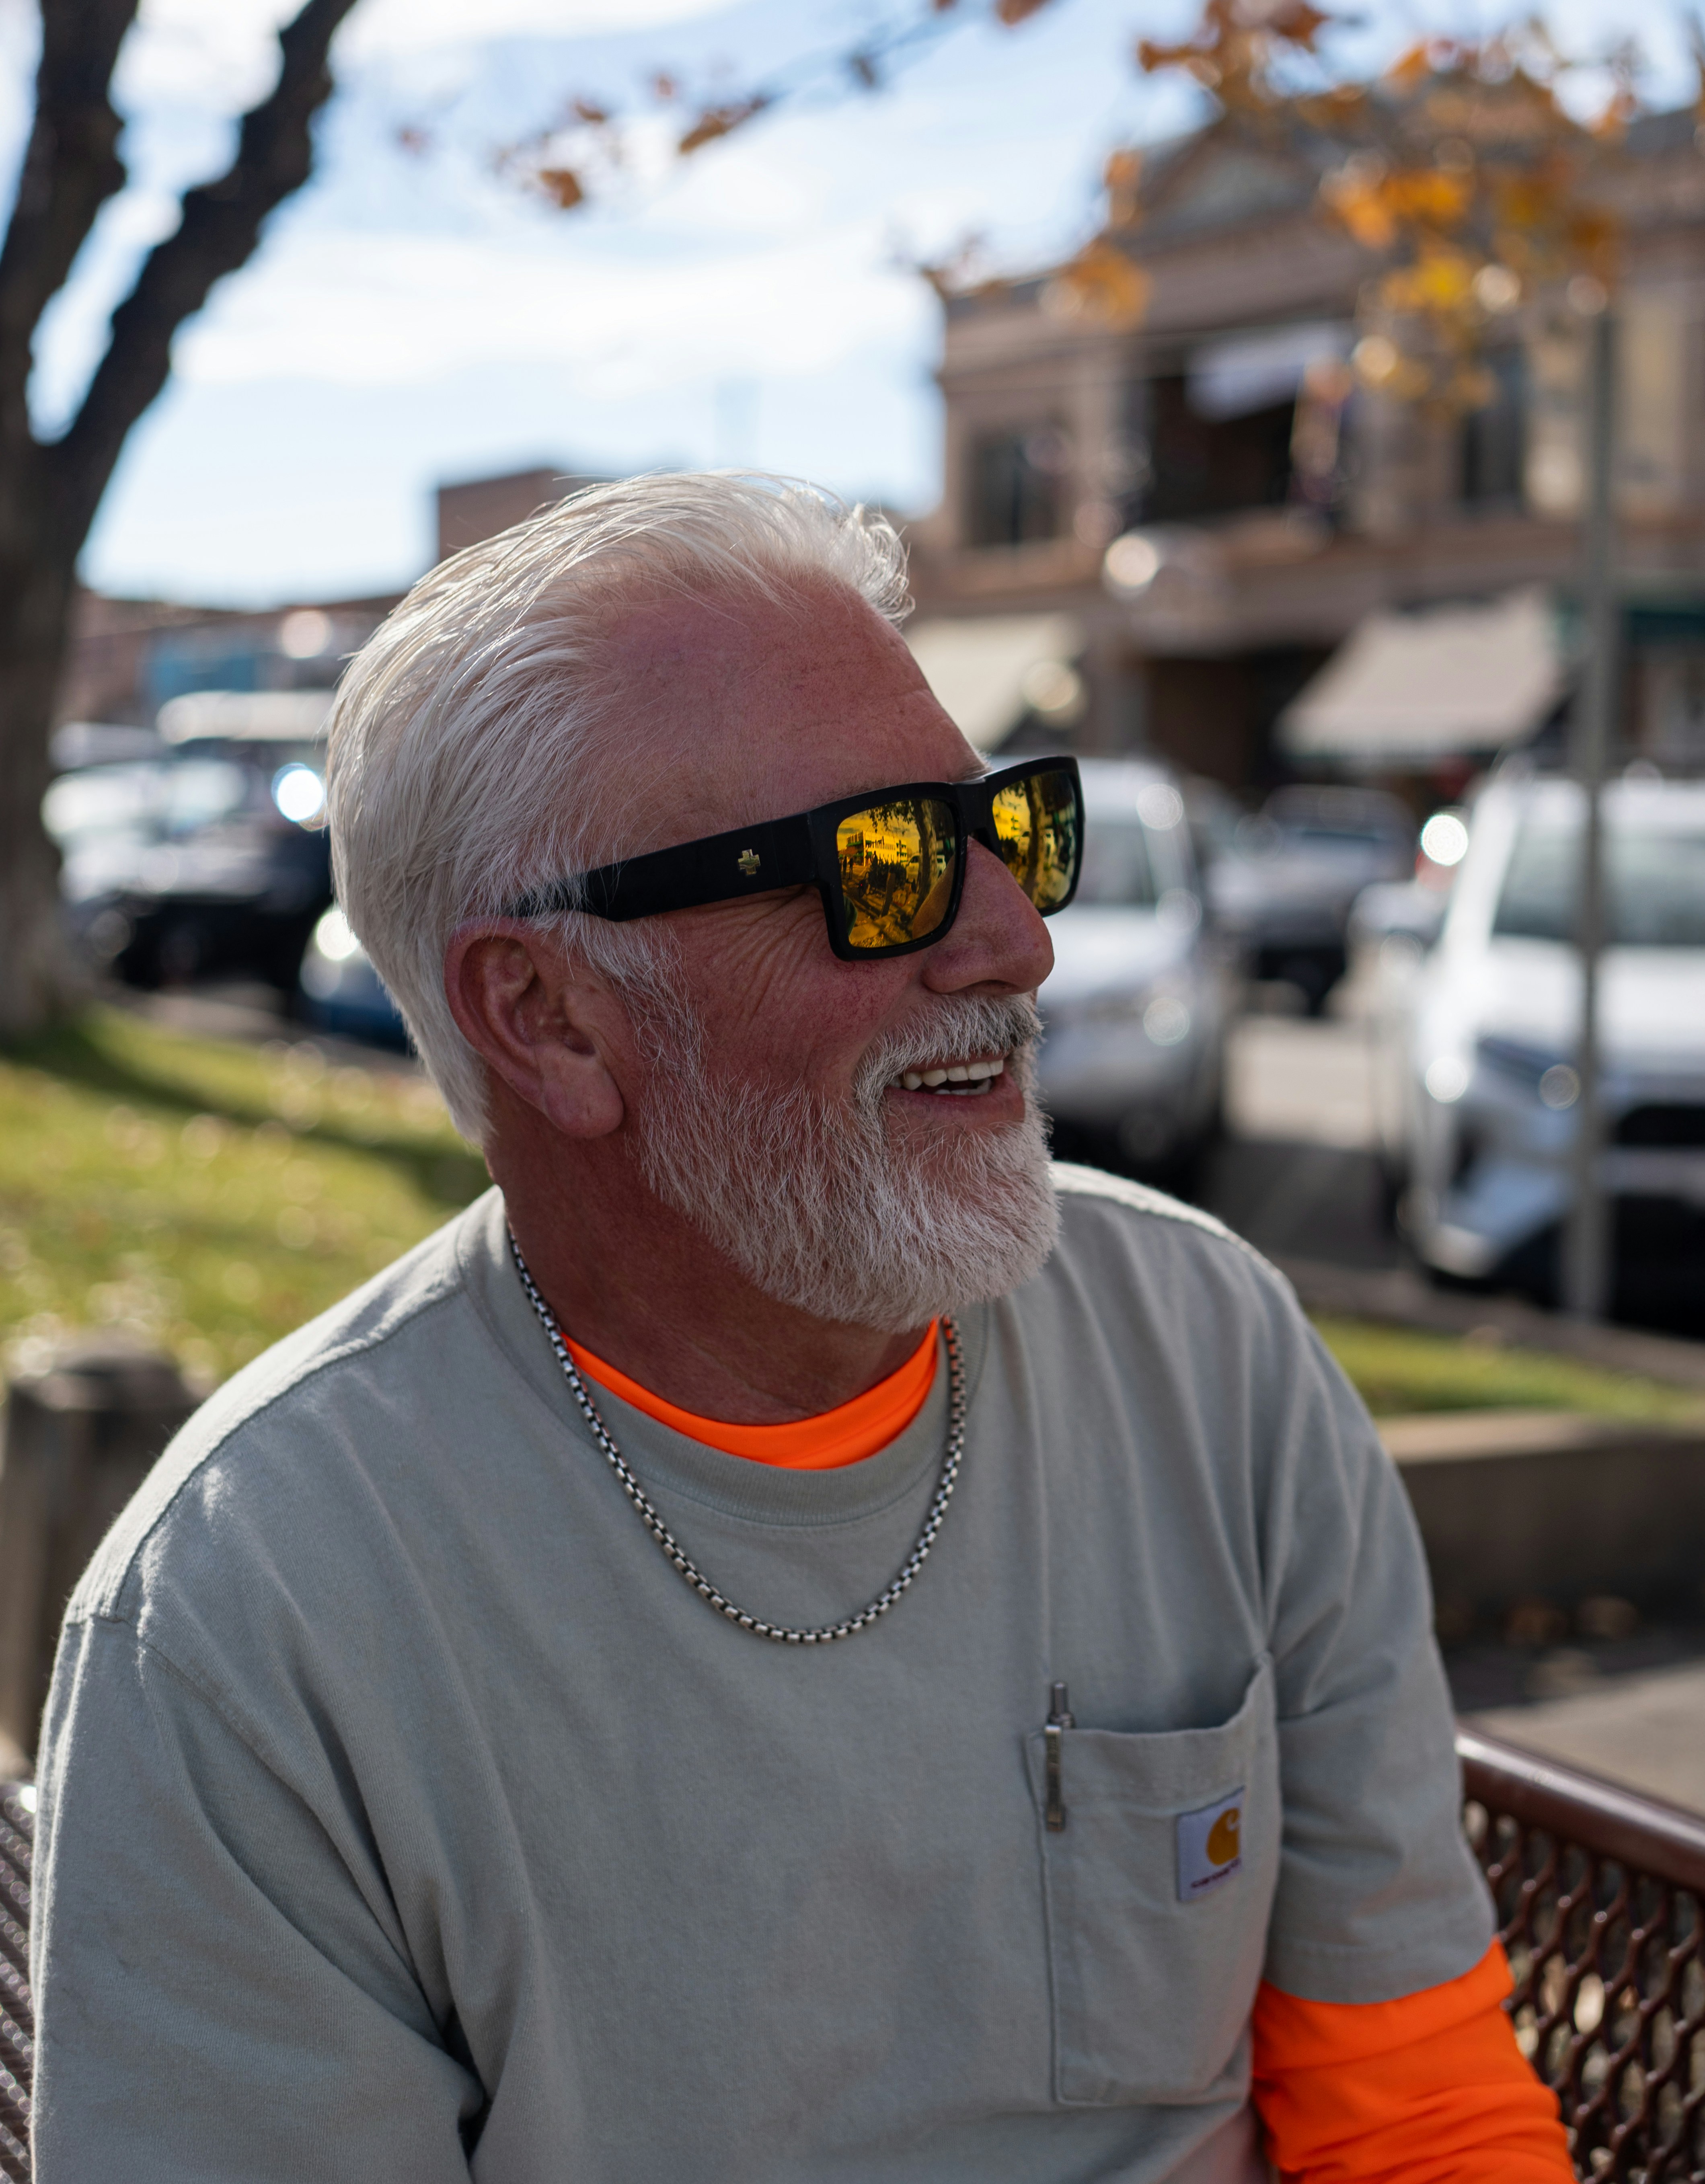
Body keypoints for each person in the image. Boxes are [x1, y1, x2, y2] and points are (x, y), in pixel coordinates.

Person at [30, 475, 1571, 2182]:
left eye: (1007, 832)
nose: (1018, 942)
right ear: (548, 1016)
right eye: (882, 869)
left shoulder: (1209, 1353)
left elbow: (1423, 2107)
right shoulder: (254, 1617)